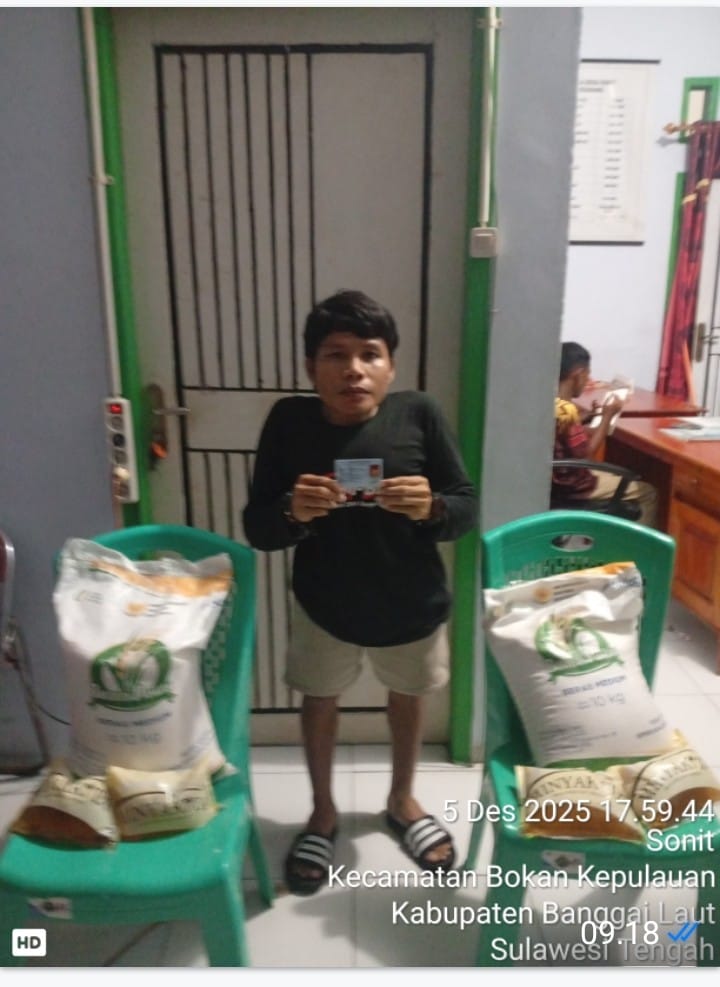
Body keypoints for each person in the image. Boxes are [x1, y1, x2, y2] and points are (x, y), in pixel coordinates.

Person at [243, 289, 478, 895]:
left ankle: (402, 799)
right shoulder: (289, 421)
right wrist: (291, 512)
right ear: (310, 367)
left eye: (370, 354)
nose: (354, 369)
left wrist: (431, 507)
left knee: (409, 694)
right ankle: (322, 811)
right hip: (324, 602)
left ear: (391, 367)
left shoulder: (418, 413)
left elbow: (466, 507)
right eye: (335, 354)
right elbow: (258, 527)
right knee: (319, 698)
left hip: (411, 599)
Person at [553, 342, 657, 525]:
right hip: (576, 486)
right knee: (648, 492)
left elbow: (570, 436)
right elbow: (587, 455)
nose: (588, 380)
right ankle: (639, 544)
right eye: (587, 375)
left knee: (617, 477)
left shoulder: (554, 403)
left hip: (558, 481)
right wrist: (608, 416)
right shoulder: (567, 411)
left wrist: (589, 418)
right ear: (577, 374)